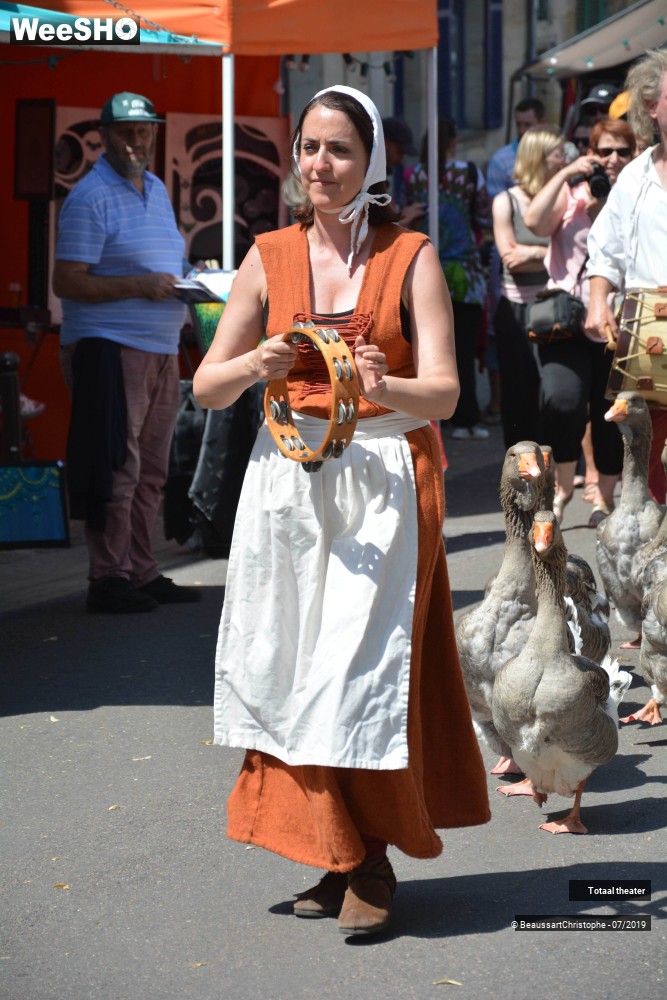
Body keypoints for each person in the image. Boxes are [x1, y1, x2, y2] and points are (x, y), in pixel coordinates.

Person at [193, 84, 490, 937]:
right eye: (309, 148)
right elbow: (209, 389)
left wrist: (374, 381)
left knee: (356, 672)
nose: (320, 166)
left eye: (340, 151)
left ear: (372, 164)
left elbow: (442, 394)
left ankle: (371, 859)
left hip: (386, 482)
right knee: (288, 666)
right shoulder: (266, 255)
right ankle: (333, 846)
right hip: (288, 482)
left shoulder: (410, 255)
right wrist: (259, 359)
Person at [52, 92, 202, 613]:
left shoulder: (156, 188)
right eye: (126, 132)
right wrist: (141, 285)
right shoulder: (89, 197)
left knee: (153, 469)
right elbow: (66, 281)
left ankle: (142, 568)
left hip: (158, 346)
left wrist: (188, 294)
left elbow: (161, 264)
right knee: (118, 466)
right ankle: (108, 577)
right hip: (110, 348)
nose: (137, 141)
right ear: (104, 134)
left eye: (145, 131)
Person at [523, 116, 637, 527]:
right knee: (561, 401)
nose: (612, 159)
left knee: (609, 410)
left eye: (622, 151)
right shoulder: (571, 193)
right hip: (566, 321)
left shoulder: (638, 197)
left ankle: (603, 497)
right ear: (591, 151)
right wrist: (567, 172)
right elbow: (535, 223)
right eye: (604, 150)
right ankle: (561, 489)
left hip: (619, 323)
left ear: (635, 154)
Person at [586, 49, 667, 504]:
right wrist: (599, 301)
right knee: (651, 455)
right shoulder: (634, 176)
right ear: (652, 106)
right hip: (648, 339)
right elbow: (606, 249)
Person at [405, 118, 492, 440]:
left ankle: (436, 420)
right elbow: (483, 215)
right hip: (464, 275)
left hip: (422, 269)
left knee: (429, 348)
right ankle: (467, 417)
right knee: (463, 351)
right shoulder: (468, 173)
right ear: (454, 141)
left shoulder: (413, 176)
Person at [491, 124, 561, 449]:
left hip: (554, 307)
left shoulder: (562, 199)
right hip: (516, 311)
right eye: (557, 154)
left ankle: (551, 467)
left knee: (554, 394)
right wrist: (553, 255)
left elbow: (578, 256)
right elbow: (511, 259)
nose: (564, 159)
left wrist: (533, 251)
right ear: (540, 159)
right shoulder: (506, 202)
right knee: (518, 395)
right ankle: (518, 468)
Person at [486, 97, 546, 200]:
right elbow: (495, 202)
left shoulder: (553, 155)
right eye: (518, 124)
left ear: (542, 123)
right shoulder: (500, 160)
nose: (521, 130)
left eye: (527, 125)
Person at [381, 115, 424, 227]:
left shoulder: (378, 181)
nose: (402, 160)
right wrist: (403, 221)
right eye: (400, 152)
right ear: (385, 143)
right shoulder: (365, 180)